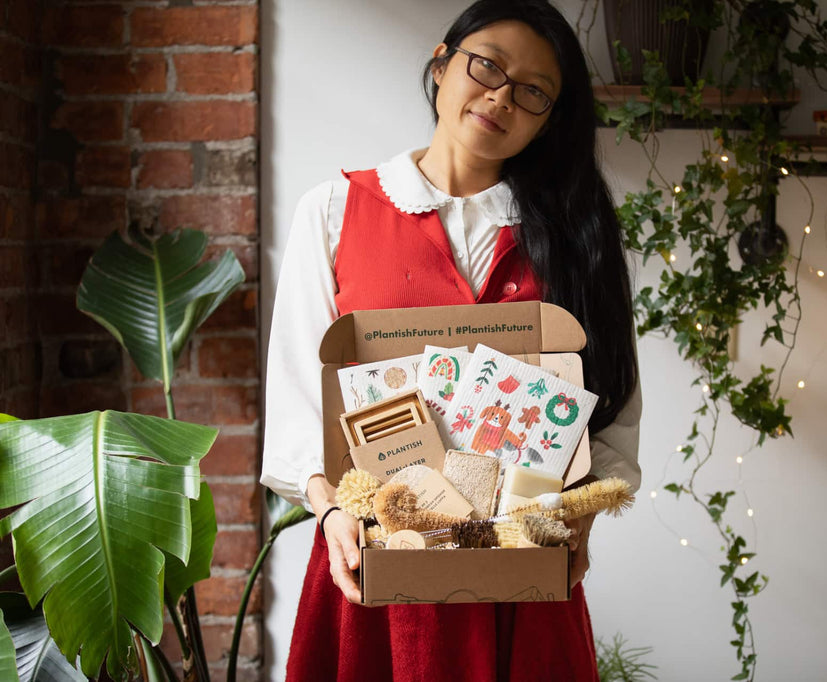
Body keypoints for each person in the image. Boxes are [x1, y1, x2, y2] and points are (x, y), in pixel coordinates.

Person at [261, 1, 642, 679]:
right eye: (487, 65)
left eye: (533, 91)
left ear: (550, 119)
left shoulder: (576, 236)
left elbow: (613, 406)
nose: (500, 96)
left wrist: (581, 519)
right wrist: (329, 515)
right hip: (378, 564)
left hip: (523, 571)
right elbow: (296, 397)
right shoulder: (334, 211)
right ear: (442, 63)